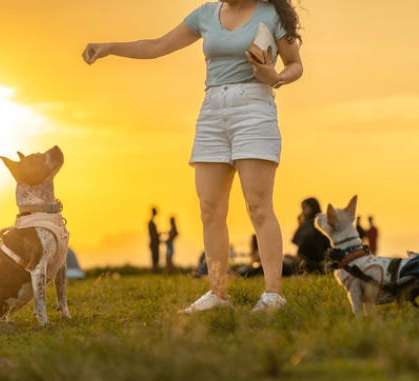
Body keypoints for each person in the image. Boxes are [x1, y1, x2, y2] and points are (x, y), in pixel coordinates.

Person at [83, 0, 303, 312]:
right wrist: (109, 47)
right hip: (212, 110)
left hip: (254, 108)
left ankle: (272, 295)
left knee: (258, 206)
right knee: (210, 209)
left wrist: (276, 76)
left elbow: (296, 64)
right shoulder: (206, 14)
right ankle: (218, 294)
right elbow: (158, 45)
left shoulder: (270, 13)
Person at [288, 198, 331, 274]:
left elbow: (321, 252)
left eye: (305, 208)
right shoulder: (306, 225)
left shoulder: (319, 226)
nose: (303, 211)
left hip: (317, 265)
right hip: (307, 263)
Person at [148, 208, 161, 273]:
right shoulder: (151, 223)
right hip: (154, 243)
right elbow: (153, 235)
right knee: (154, 258)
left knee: (155, 258)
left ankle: (154, 271)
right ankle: (153, 271)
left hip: (154, 243)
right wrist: (158, 235)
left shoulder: (152, 222)